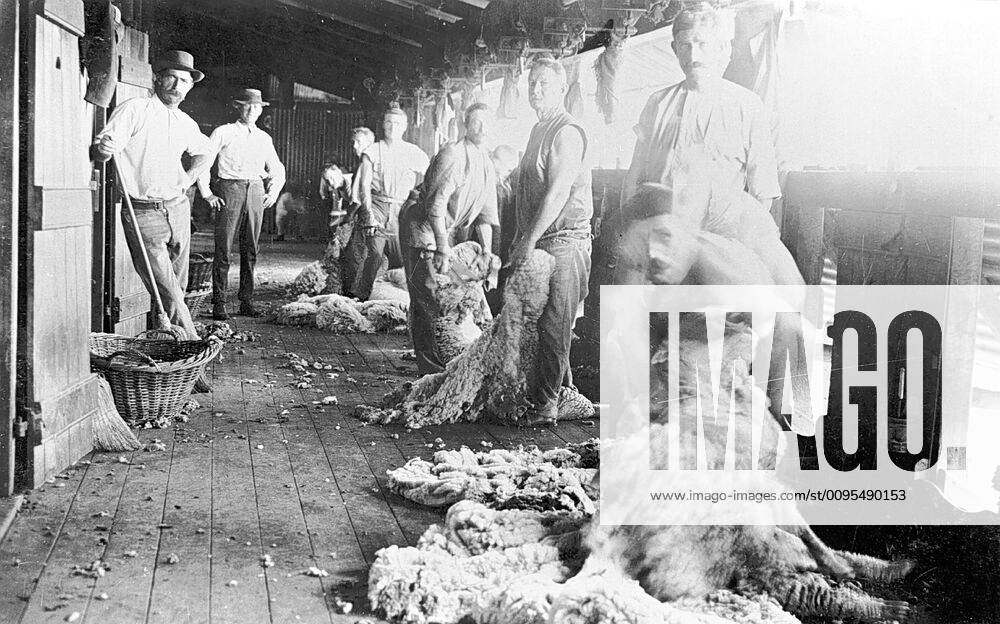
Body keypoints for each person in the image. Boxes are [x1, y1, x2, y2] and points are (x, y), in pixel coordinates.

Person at [91, 50, 214, 382]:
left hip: (177, 208)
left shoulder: (185, 122)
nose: (177, 84)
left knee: (180, 285)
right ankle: (194, 359)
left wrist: (187, 180)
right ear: (158, 79)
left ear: (190, 87)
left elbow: (206, 151)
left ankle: (171, 358)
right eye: (171, 77)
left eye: (185, 80)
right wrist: (102, 149)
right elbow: (106, 145)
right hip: (143, 212)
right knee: (167, 291)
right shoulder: (135, 109)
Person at [507, 58, 593, 424]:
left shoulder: (566, 132)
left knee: (555, 324)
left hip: (565, 240)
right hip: (545, 238)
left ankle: (543, 405)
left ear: (561, 88)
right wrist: (521, 237)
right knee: (550, 322)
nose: (536, 90)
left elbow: (557, 195)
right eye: (531, 84)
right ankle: (565, 394)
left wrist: (527, 240)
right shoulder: (537, 130)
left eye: (544, 83)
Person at [398, 103, 500, 375]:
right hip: (421, 229)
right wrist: (442, 247)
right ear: (465, 124)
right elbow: (436, 205)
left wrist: (487, 253)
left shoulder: (486, 162)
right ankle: (429, 367)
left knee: (455, 288)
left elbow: (486, 214)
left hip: (444, 229)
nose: (482, 128)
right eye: (475, 122)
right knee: (427, 295)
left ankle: (445, 352)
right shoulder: (453, 154)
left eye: (486, 122)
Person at [198, 88, 286, 320]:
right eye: (246, 105)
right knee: (223, 248)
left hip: (256, 189)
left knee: (251, 249)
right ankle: (219, 303)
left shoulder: (263, 138)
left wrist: (273, 192)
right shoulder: (223, 132)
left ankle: (246, 301)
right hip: (230, 189)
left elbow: (278, 169)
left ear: (260, 110)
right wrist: (207, 194)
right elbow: (204, 162)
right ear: (238, 106)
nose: (251, 110)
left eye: (256, 106)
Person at [355, 105, 429, 301]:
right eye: (388, 122)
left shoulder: (414, 152)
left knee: (403, 256)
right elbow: (364, 185)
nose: (392, 127)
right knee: (375, 254)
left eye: (397, 123)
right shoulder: (372, 150)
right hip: (378, 205)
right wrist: (368, 213)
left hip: (404, 208)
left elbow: (431, 177)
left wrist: (418, 197)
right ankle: (362, 297)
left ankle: (403, 301)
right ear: (383, 125)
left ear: (404, 126)